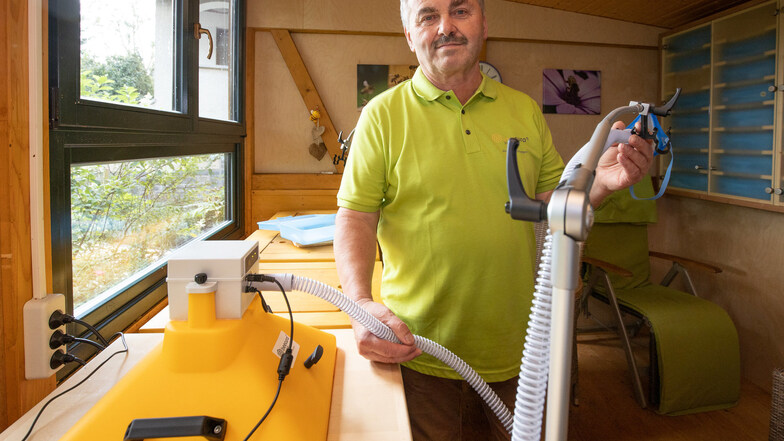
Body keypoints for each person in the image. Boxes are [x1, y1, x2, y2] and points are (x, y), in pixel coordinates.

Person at [333, 0, 654, 439]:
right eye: (428, 16)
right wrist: (359, 305)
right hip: (419, 351)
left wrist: (599, 185)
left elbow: (554, 211)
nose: (446, 27)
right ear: (410, 35)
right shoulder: (382, 117)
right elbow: (355, 216)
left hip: (523, 349)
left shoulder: (524, 110)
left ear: (484, 23)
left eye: (460, 11)